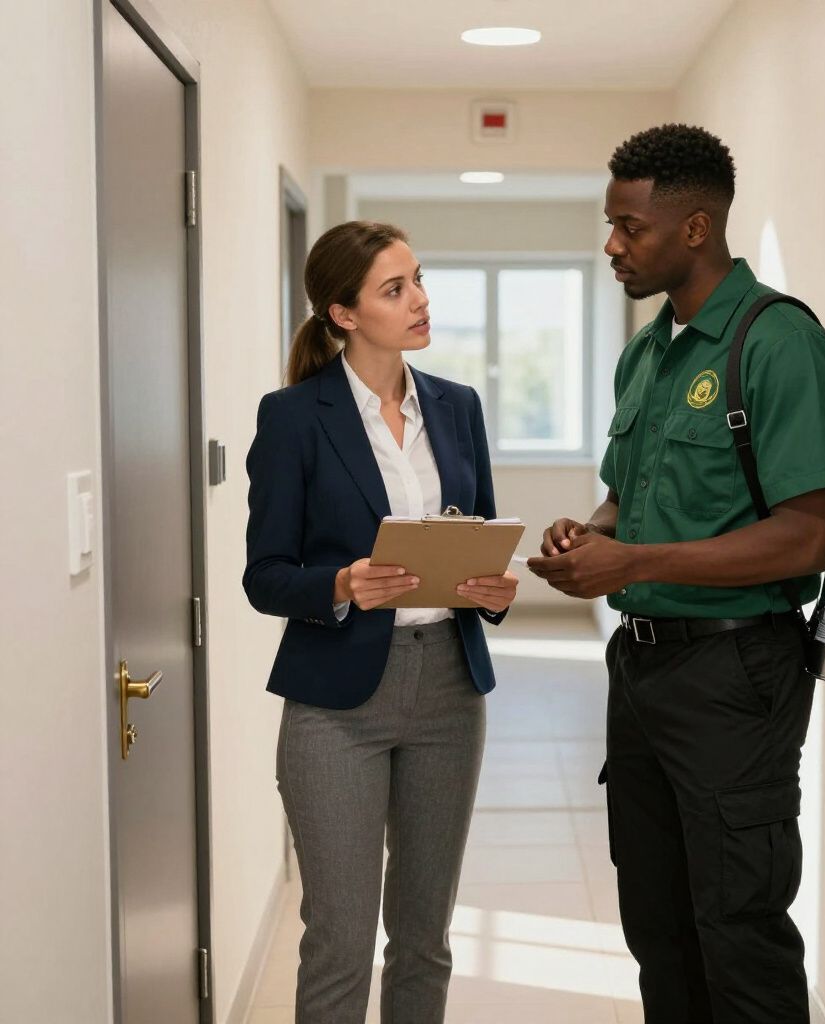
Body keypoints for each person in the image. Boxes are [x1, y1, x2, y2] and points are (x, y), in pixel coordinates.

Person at [529, 124, 825, 1023]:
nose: (613, 245)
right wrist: (586, 536)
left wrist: (633, 559)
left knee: (738, 926)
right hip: (639, 672)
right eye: (611, 224)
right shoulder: (646, 353)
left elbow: (803, 540)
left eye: (630, 227)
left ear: (697, 227)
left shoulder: (777, 344)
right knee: (657, 923)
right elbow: (623, 500)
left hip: (735, 673)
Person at [243, 221, 518, 1024]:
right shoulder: (295, 416)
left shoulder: (458, 408)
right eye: (394, 290)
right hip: (335, 705)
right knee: (339, 937)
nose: (421, 300)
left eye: (419, 280)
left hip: (448, 690)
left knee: (425, 937)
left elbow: (483, 536)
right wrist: (341, 583)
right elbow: (265, 576)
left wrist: (491, 593)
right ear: (343, 313)